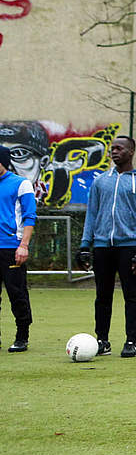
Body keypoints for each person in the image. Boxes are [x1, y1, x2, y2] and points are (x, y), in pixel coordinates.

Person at [77, 136, 136, 358]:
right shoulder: (101, 182)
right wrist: (85, 245)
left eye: (119, 148)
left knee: (132, 296)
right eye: (112, 148)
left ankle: (131, 341)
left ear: (131, 151)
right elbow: (91, 215)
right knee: (102, 296)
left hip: (130, 247)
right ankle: (102, 340)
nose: (113, 152)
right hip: (102, 247)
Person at [0, 146, 37, 352]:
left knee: (17, 294)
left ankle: (22, 336)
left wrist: (23, 245)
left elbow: (29, 216)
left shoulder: (21, 184)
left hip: (11, 248)